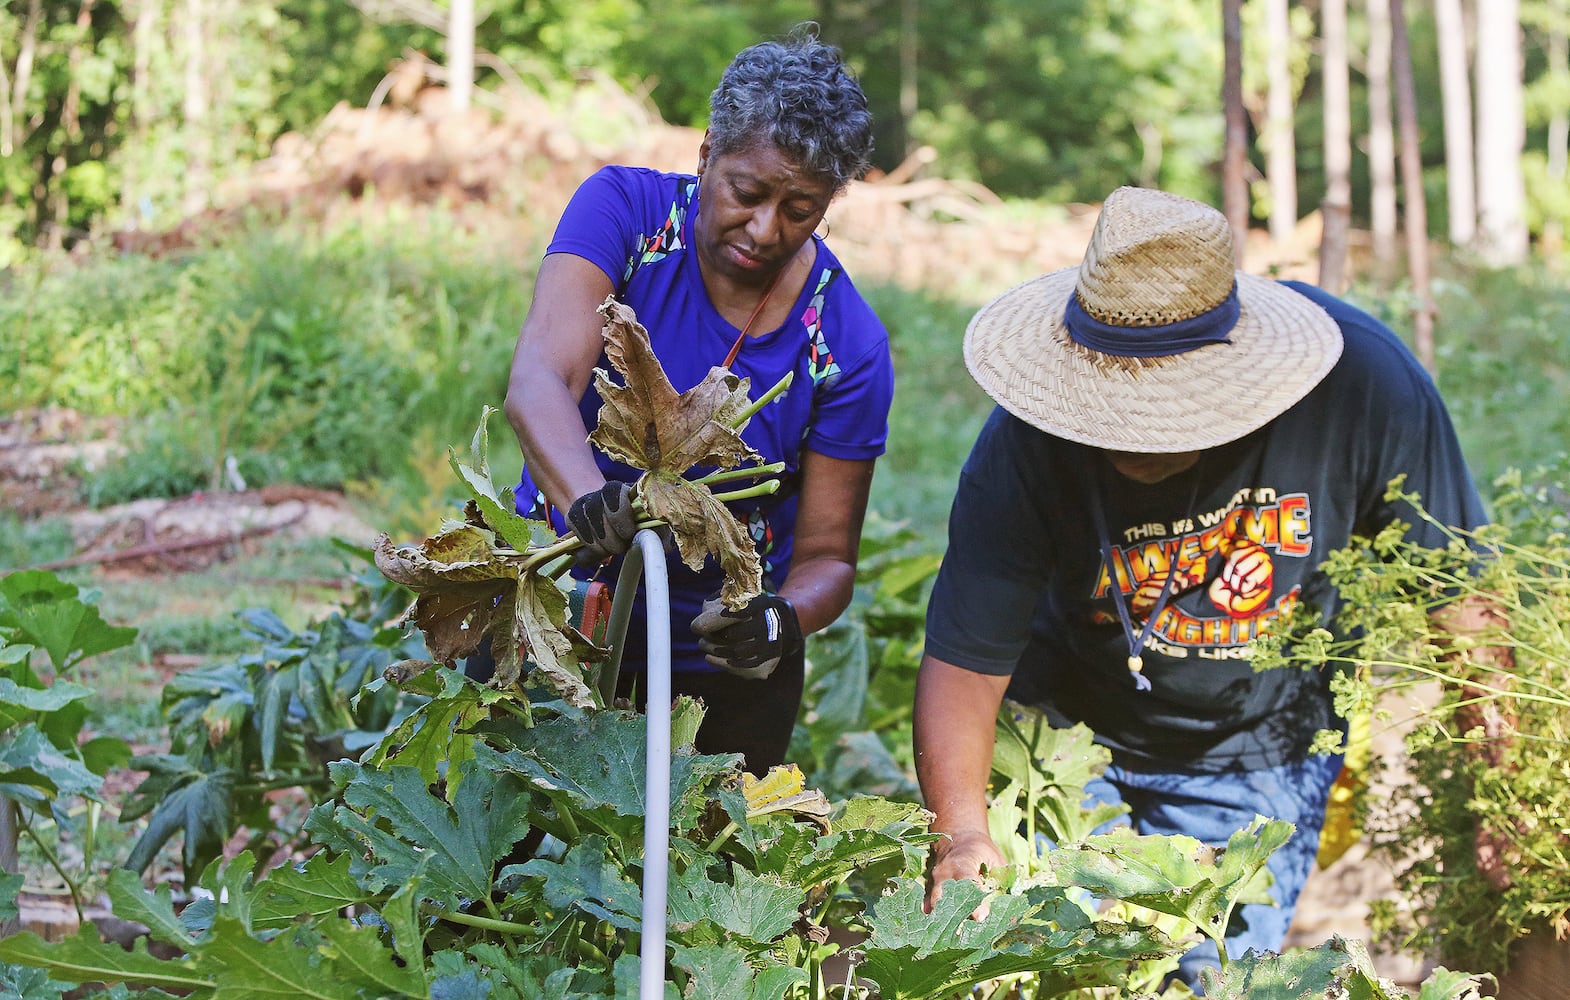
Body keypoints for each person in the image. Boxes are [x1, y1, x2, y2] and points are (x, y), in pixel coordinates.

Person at [912, 186, 1496, 989]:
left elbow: (1458, 602)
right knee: (1060, 970)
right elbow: (967, 660)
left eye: (1165, 416)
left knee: (1215, 978)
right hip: (1064, 741)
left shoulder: (1364, 390)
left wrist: (1496, 798)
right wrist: (964, 835)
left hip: (1256, 752)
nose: (1134, 441)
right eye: (1112, 413)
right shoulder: (1025, 442)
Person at [495, 27, 893, 775]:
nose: (765, 227)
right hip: (555, 617)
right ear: (707, 154)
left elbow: (829, 558)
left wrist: (782, 619)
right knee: (504, 863)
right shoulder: (626, 214)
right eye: (747, 192)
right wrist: (586, 502)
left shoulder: (844, 343)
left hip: (718, 679)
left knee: (700, 879)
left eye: (801, 208)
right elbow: (539, 380)